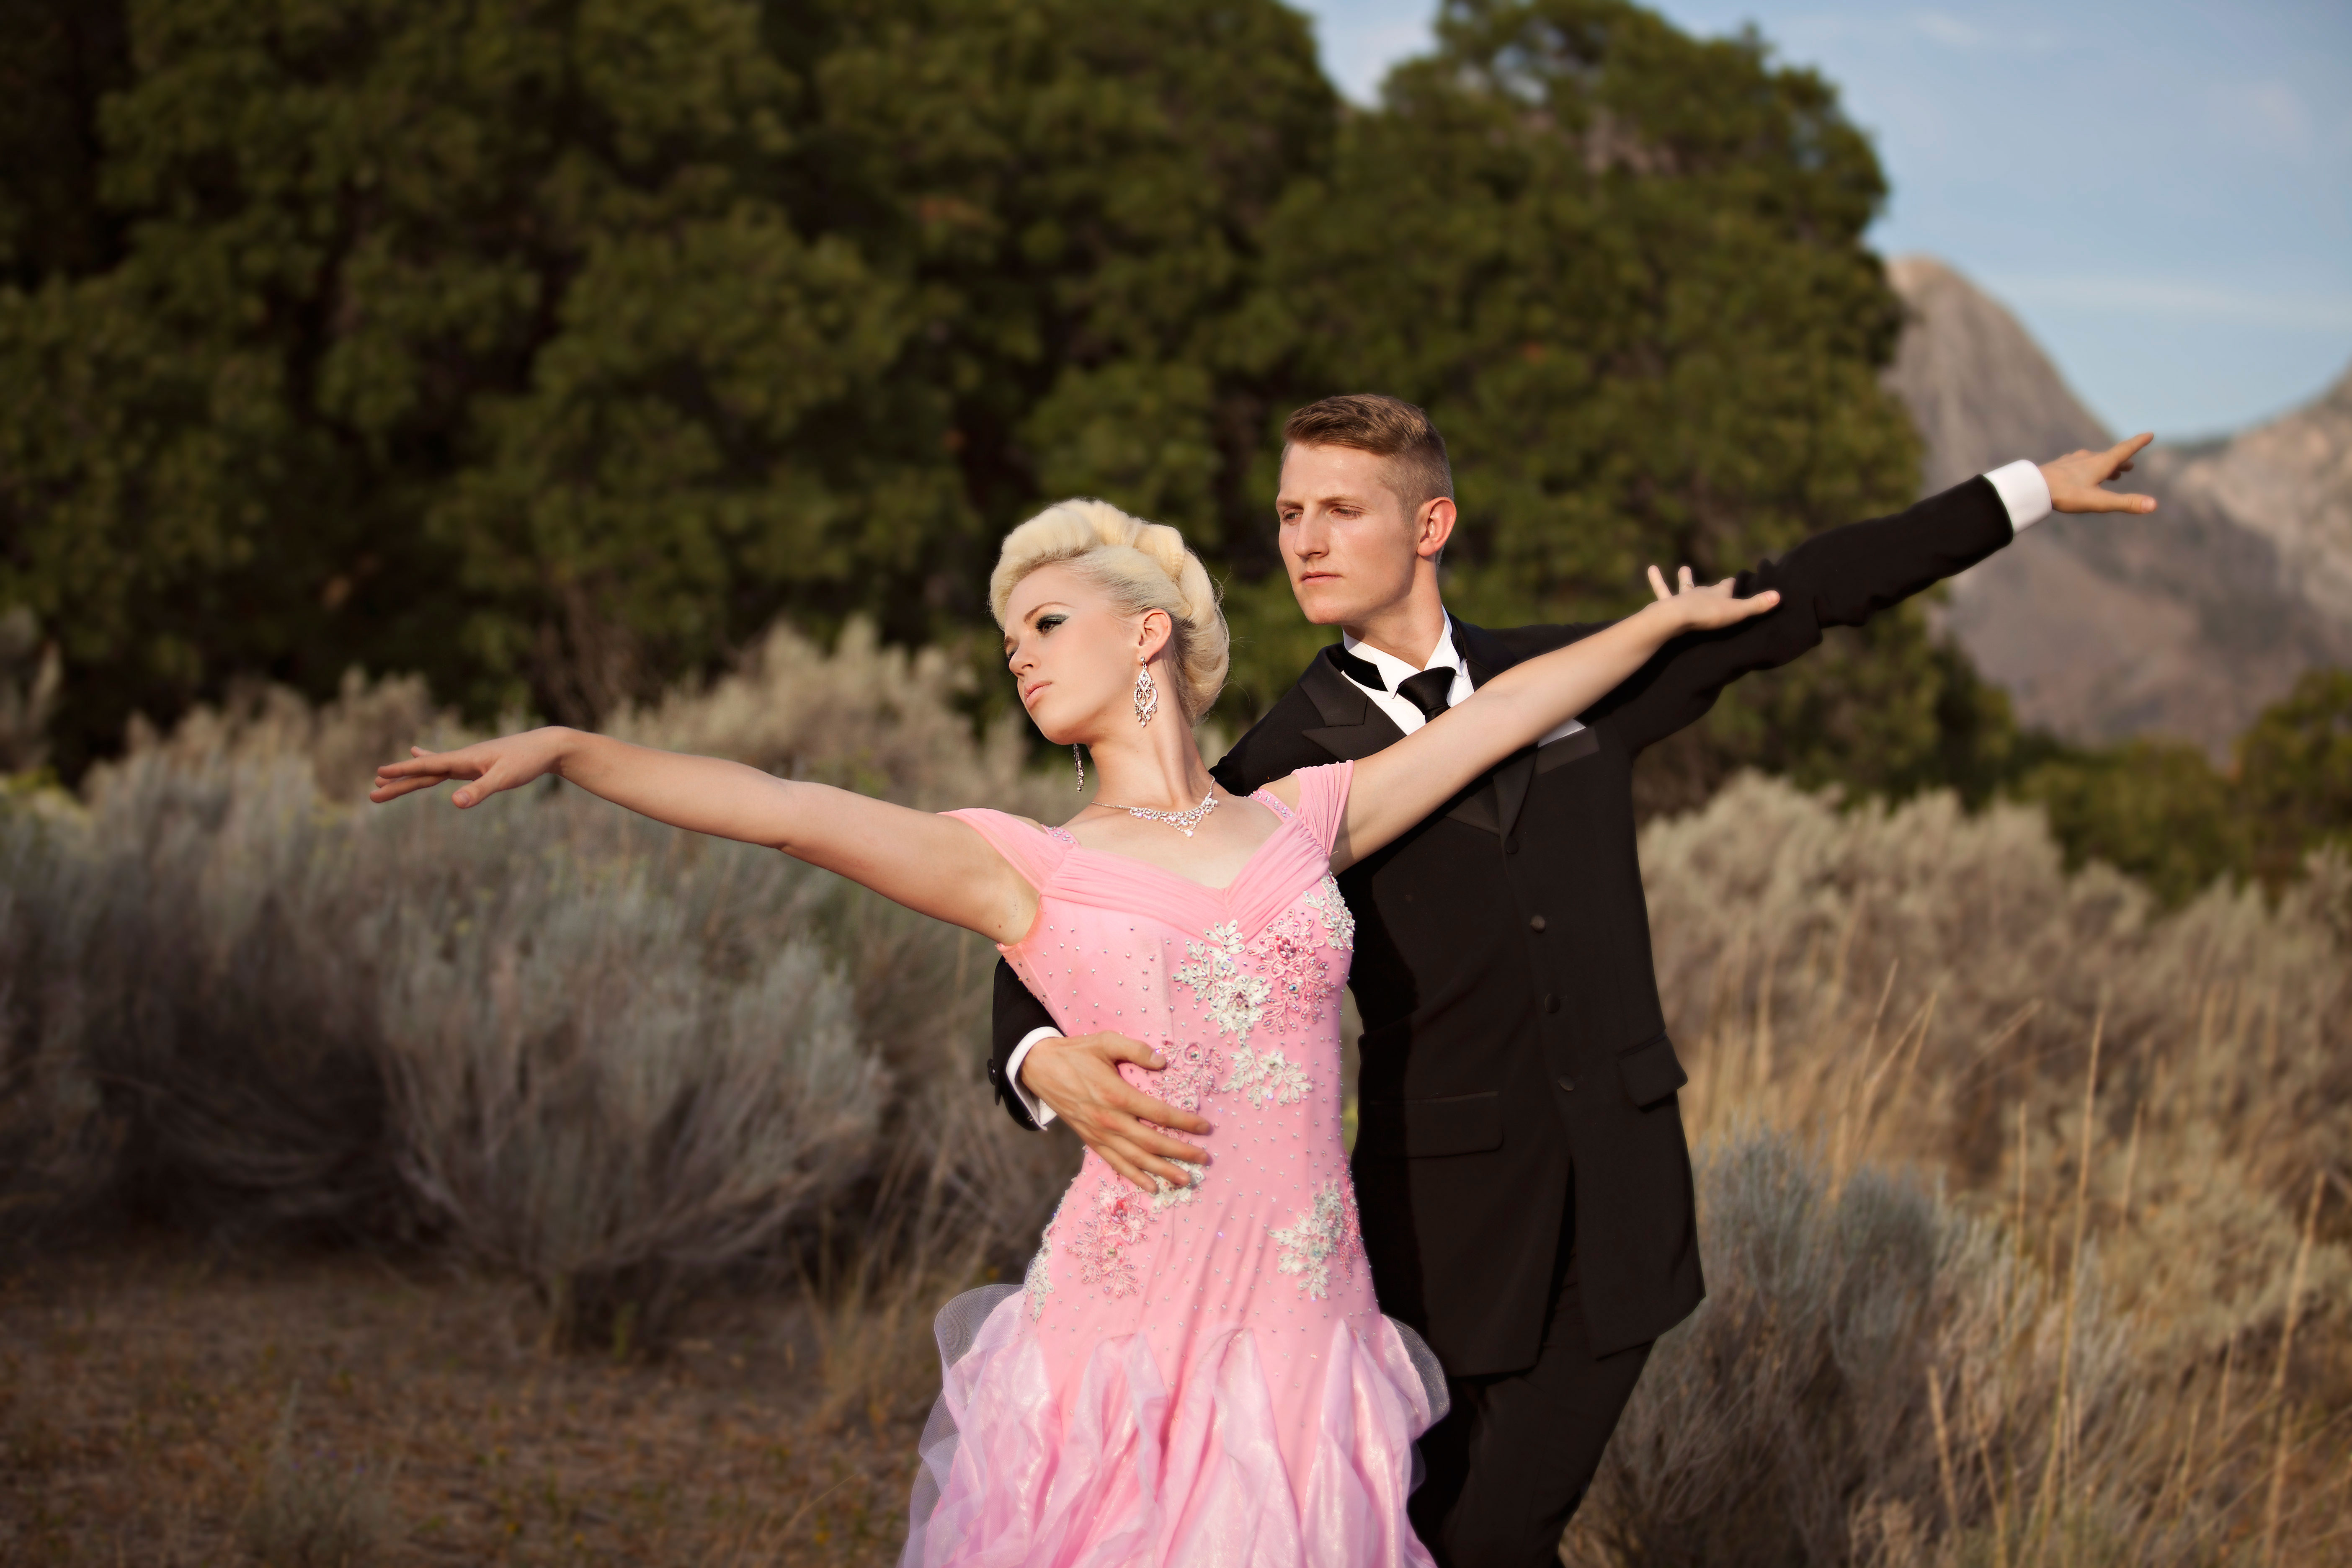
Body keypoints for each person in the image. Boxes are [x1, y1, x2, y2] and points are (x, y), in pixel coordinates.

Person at [367, 498, 1778, 1567]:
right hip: (1118, 1350)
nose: (1018, 661)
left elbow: (1501, 717)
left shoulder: (1304, 818)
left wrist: (1654, 630)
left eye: (1045, 626)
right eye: (1006, 644)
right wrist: (568, 753)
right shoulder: (1020, 863)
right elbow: (786, 805)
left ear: (1146, 632)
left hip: (1300, 1341)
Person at [988, 395, 2159, 1567]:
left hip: (1624, 1203)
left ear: (1431, 521)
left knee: (1501, 1531)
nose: (1305, 540)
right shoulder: (1279, 768)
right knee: (1439, 1533)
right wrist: (1039, 1060)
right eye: (1291, 513)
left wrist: (2029, 492)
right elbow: (1073, 903)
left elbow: (1795, 597)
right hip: (1435, 1235)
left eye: (1343, 510)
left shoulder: (1575, 672)